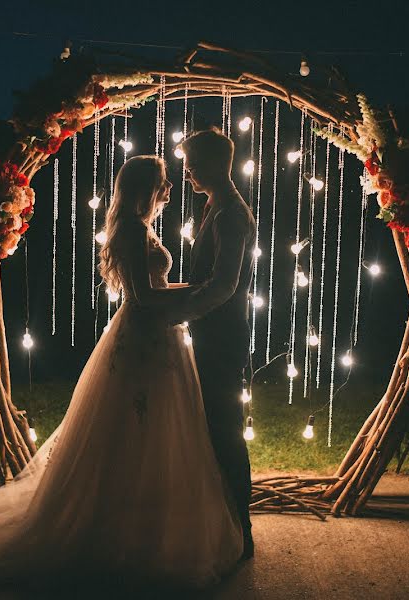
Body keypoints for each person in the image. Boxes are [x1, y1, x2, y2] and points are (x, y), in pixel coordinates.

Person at [0, 155, 242, 588]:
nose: (169, 191)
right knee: (134, 428)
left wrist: (189, 293)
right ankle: (113, 528)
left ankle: (142, 521)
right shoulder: (133, 230)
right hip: (144, 339)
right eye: (163, 184)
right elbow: (143, 298)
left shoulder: (140, 226)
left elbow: (151, 290)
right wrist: (196, 295)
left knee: (154, 432)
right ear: (144, 188)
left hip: (158, 336)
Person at [177, 128, 257, 559]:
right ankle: (221, 521)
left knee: (226, 431)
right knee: (211, 426)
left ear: (212, 163)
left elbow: (224, 285)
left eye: (191, 162)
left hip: (224, 337)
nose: (186, 170)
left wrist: (180, 310)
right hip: (212, 332)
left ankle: (242, 531)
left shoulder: (231, 214)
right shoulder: (215, 205)